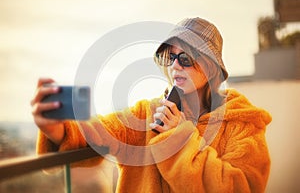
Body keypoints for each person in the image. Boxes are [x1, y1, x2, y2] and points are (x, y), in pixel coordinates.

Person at [31, 17, 272, 193]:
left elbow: (242, 187)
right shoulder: (147, 114)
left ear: (210, 68)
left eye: (185, 58)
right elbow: (103, 130)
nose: (175, 66)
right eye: (170, 57)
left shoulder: (243, 124)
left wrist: (179, 137)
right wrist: (59, 130)